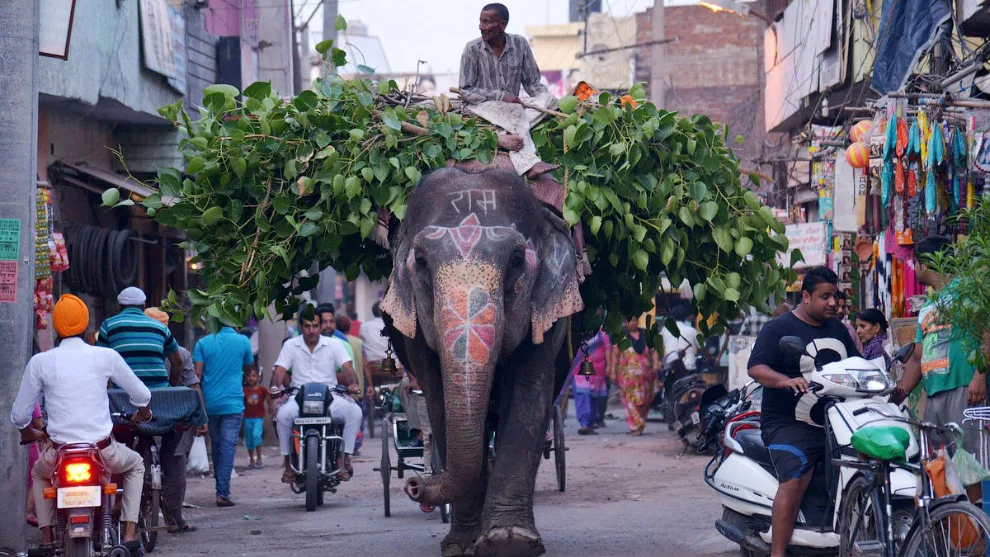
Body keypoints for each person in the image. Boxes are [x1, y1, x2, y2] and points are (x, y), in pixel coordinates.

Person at [11, 295, 152, 555]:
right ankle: (130, 536)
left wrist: (28, 433)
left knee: (40, 474)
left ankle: (46, 539)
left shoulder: (40, 362)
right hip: (103, 452)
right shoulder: (106, 356)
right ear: (87, 326)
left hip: (59, 454)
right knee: (136, 465)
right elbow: (142, 396)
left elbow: (20, 415)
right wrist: (143, 413)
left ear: (56, 327)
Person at [747, 266, 861, 557]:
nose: (833, 303)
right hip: (788, 423)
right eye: (826, 297)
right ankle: (778, 553)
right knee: (797, 477)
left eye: (835, 296)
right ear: (806, 296)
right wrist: (784, 380)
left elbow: (858, 365)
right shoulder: (779, 328)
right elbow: (756, 367)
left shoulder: (838, 329)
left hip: (836, 423)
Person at [891, 236, 990, 501]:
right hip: (934, 395)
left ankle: (980, 540)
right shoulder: (927, 307)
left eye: (915, 264)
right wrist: (897, 394)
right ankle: (950, 537)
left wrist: (980, 376)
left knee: (972, 468)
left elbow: (987, 331)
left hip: (966, 389)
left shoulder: (969, 291)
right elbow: (917, 360)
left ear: (925, 263)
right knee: (937, 468)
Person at [459, 3, 557, 177]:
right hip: (483, 108)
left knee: (549, 100)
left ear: (502, 25)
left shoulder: (520, 44)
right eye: (480, 22)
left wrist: (545, 100)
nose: (481, 27)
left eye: (487, 22)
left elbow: (532, 83)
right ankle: (529, 163)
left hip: (515, 110)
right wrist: (501, 96)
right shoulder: (472, 49)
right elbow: (465, 90)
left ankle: (502, 136)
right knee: (514, 109)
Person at [272, 308, 363, 482]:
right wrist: (275, 386)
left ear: (320, 326)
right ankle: (288, 464)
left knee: (355, 412)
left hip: (330, 397)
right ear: (300, 326)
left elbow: (347, 367)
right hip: (299, 397)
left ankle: (344, 459)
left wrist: (353, 383)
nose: (311, 330)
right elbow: (280, 370)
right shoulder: (291, 345)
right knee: (283, 415)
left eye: (315, 325)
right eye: (307, 326)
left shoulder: (334, 345)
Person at [144, 307, 199, 533]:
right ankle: (175, 520)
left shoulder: (132, 351)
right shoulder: (181, 353)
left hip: (142, 417)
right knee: (175, 466)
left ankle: (135, 518)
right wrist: (199, 416)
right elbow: (193, 387)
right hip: (173, 417)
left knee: (140, 464)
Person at [193, 322, 255, 507]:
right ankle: (222, 492)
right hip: (233, 402)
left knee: (217, 444)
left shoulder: (202, 343)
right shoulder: (243, 341)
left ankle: (220, 487)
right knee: (228, 446)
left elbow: (197, 375)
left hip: (210, 403)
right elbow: (249, 369)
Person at [98, 287, 182, 388]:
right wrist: (170, 387)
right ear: (144, 306)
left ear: (119, 306)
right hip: (159, 390)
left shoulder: (108, 325)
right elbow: (177, 361)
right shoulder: (161, 327)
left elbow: (102, 362)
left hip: (124, 393)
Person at [609, 316, 659, 436]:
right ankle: (636, 425)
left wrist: (656, 364)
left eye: (635, 320)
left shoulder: (646, 334)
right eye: (630, 321)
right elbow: (615, 355)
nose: (633, 323)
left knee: (645, 401)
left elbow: (654, 350)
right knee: (630, 401)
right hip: (627, 376)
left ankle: (640, 423)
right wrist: (612, 371)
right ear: (625, 322)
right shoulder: (620, 336)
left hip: (646, 376)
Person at [337, 315, 375, 455]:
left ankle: (345, 444)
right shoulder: (358, 343)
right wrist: (370, 384)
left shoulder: (336, 342)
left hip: (341, 388)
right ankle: (354, 445)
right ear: (349, 327)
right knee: (358, 416)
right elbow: (365, 364)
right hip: (357, 387)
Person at [572, 329, 611, 435]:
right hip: (583, 367)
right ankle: (584, 424)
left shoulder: (602, 332)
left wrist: (610, 367)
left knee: (594, 397)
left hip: (598, 371)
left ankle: (589, 424)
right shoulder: (578, 327)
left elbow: (607, 349)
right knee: (583, 394)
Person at [661, 303, 702, 372]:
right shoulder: (692, 331)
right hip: (689, 369)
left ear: (672, 317)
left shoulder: (665, 330)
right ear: (685, 317)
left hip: (671, 369)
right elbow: (703, 347)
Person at [243, 369, 268, 469]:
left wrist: (271, 407)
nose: (251, 378)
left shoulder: (262, 389)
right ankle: (251, 460)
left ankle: (259, 458)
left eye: (253, 376)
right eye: (249, 376)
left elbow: (269, 398)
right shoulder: (244, 390)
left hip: (258, 418)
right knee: (249, 439)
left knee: (256, 436)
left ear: (258, 377)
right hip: (247, 418)